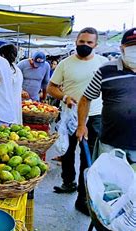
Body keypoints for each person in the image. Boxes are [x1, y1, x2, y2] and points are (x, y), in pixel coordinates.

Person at [47, 27, 108, 214]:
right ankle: (68, 182)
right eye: (82, 42)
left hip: (95, 116)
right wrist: (64, 96)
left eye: (89, 43)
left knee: (87, 157)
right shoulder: (65, 63)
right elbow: (51, 88)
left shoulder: (104, 64)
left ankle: (83, 197)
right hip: (70, 115)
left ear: (96, 44)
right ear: (76, 42)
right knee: (67, 150)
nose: (85, 45)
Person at [77, 27, 136, 164]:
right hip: (110, 143)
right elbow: (86, 98)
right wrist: (81, 125)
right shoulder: (106, 70)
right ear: (122, 49)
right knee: (107, 183)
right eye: (131, 47)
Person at [0, 43, 23, 124]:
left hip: (4, 108)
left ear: (2, 56)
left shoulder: (2, 70)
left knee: (3, 132)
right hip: (15, 106)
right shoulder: (17, 70)